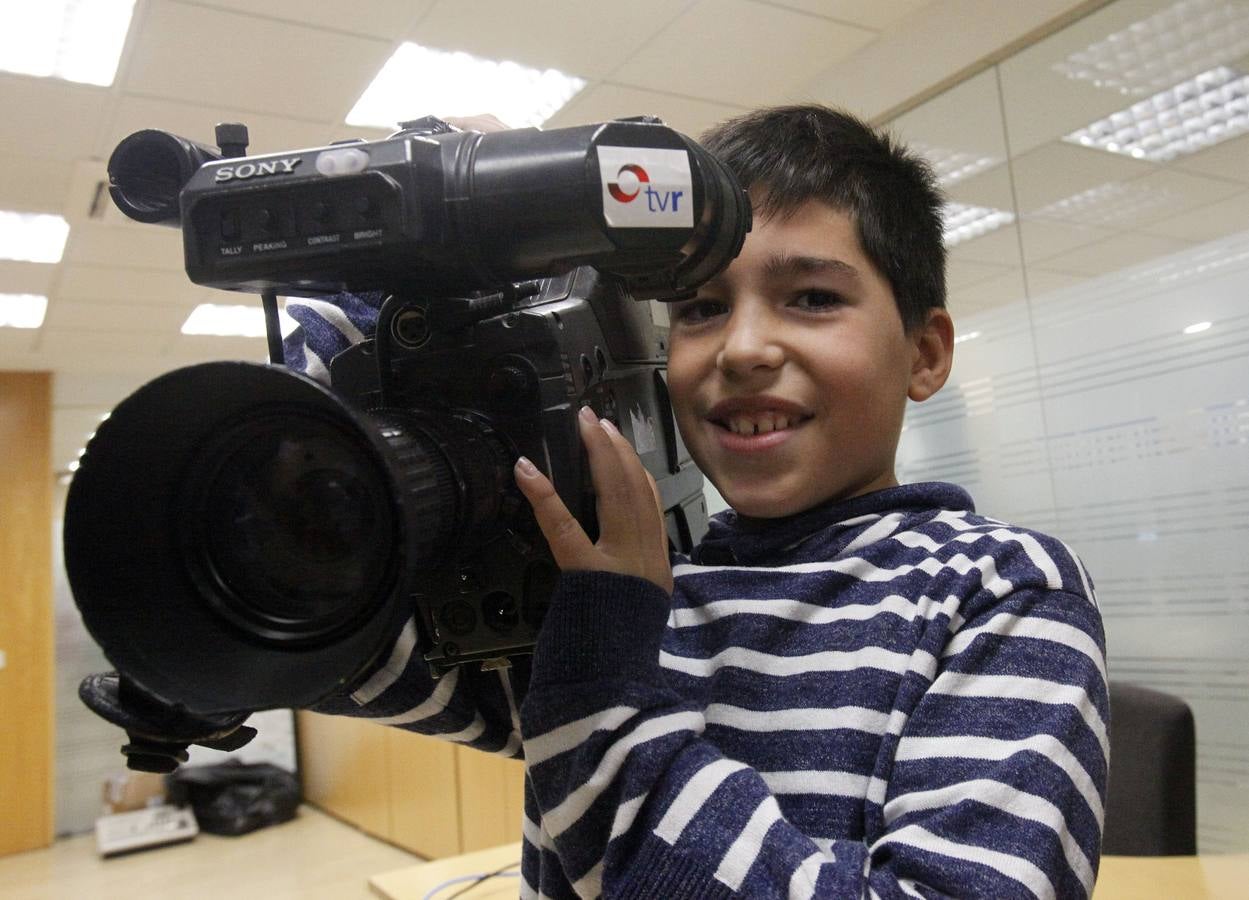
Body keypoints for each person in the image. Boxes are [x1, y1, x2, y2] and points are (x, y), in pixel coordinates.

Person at [297, 105, 1107, 898]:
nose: (743, 347)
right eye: (700, 309)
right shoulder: (618, 586)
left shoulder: (997, 589)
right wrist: (412, 258)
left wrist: (600, 674)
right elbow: (306, 624)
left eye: (813, 298)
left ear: (923, 354)